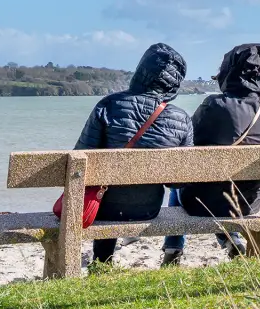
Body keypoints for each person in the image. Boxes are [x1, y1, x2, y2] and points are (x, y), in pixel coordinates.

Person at [162, 43, 260, 266]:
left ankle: (173, 249)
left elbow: (188, 147)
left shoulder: (215, 105)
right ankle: (231, 240)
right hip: (248, 203)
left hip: (203, 203)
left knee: (179, 186)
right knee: (217, 186)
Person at [75, 42, 193, 266]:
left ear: (141, 70)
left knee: (107, 191)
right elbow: (180, 182)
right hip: (148, 209)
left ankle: (102, 262)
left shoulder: (109, 105)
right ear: (175, 81)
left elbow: (81, 161)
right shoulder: (181, 118)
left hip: (102, 208)